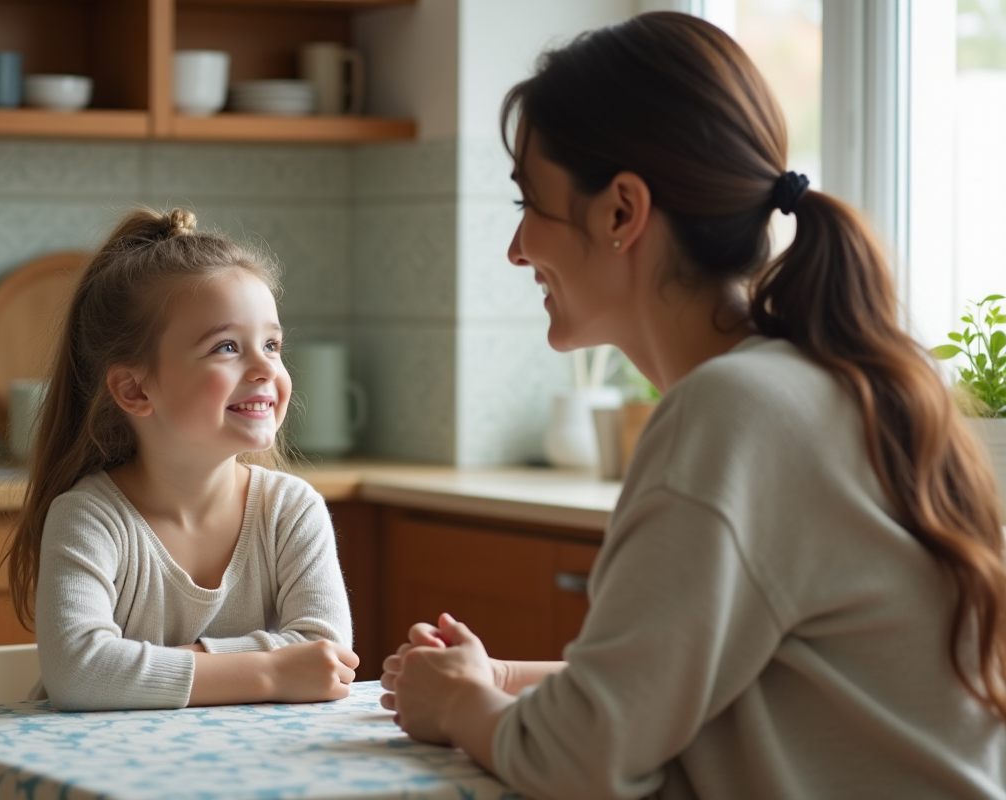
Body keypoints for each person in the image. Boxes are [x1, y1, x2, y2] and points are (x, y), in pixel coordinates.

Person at [379, 12, 1006, 799]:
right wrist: (498, 675)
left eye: (528, 206)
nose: (517, 250)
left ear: (621, 212)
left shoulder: (733, 410)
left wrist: (461, 703)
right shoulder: (830, 384)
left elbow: (582, 764)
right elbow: (748, 685)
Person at [5, 207, 357, 712]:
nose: (265, 367)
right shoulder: (90, 518)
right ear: (133, 388)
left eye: (273, 344)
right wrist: (273, 668)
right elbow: (79, 673)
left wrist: (149, 666)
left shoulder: (292, 511)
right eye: (227, 346)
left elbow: (328, 656)